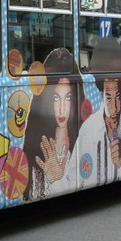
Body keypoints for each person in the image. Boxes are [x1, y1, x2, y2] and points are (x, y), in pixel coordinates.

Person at [23, 48, 81, 201]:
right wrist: (51, 179)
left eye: (68, 98)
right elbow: (29, 193)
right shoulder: (36, 142)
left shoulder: (85, 134)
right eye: (56, 98)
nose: (62, 108)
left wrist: (57, 180)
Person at [74, 76, 121, 188]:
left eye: (117, 97)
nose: (114, 108)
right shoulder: (88, 128)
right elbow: (71, 176)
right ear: (101, 96)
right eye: (108, 98)